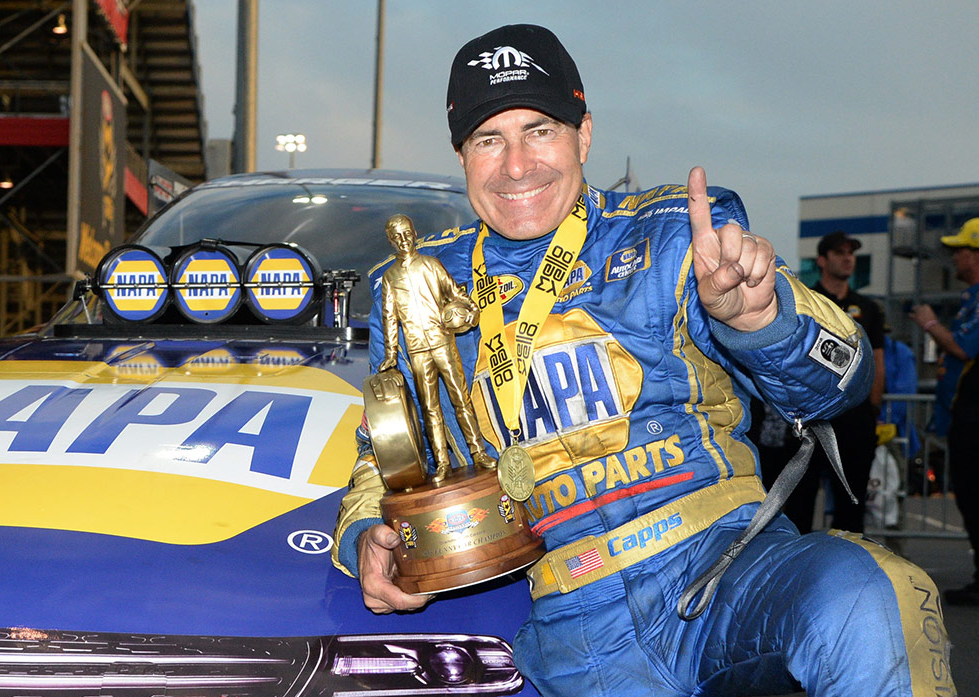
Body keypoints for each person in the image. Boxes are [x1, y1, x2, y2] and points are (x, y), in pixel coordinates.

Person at [332, 24, 951, 697]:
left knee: (873, 592)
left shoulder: (677, 235)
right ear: (462, 155)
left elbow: (846, 381)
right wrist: (369, 533)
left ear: (584, 134)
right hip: (566, 629)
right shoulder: (424, 280)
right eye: (489, 139)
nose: (516, 165)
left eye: (539, 129)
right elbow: (383, 459)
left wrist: (761, 321)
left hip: (723, 573)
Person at [760, 230, 884, 533]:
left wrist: (872, 409)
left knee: (851, 502)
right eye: (840, 253)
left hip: (855, 418)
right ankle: (800, 572)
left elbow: (878, 361)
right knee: (800, 502)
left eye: (851, 253)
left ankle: (849, 571)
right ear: (822, 260)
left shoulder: (868, 308)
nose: (848, 259)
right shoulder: (805, 301)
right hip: (810, 416)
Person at [378, 214, 495, 480]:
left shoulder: (431, 265)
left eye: (407, 233)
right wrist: (390, 354)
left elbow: (456, 294)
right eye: (397, 236)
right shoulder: (389, 277)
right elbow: (389, 318)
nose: (403, 240)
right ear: (390, 241)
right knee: (430, 408)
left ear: (415, 232)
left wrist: (472, 311)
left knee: (460, 399)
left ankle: (478, 452)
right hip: (417, 350)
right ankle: (442, 463)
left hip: (443, 342)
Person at [911, 216, 979, 606]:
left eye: (960, 250)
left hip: (975, 420)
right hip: (964, 417)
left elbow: (963, 348)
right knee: (968, 498)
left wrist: (929, 322)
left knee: (973, 496)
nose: (954, 258)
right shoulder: (972, 298)